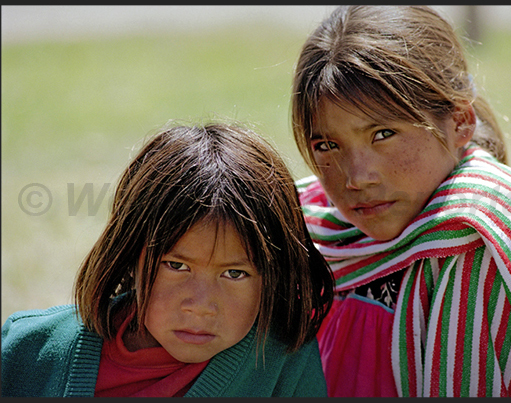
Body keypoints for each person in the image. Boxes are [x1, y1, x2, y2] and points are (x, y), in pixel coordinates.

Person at [291, 5, 511, 397]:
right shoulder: (305, 228)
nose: (356, 177)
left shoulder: (484, 246)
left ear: (459, 122)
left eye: (383, 134)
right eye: (327, 145)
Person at [1, 122, 334, 397]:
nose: (201, 305)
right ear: (130, 252)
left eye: (235, 273)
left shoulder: (282, 363)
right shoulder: (26, 353)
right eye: (177, 266)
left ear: (274, 276)